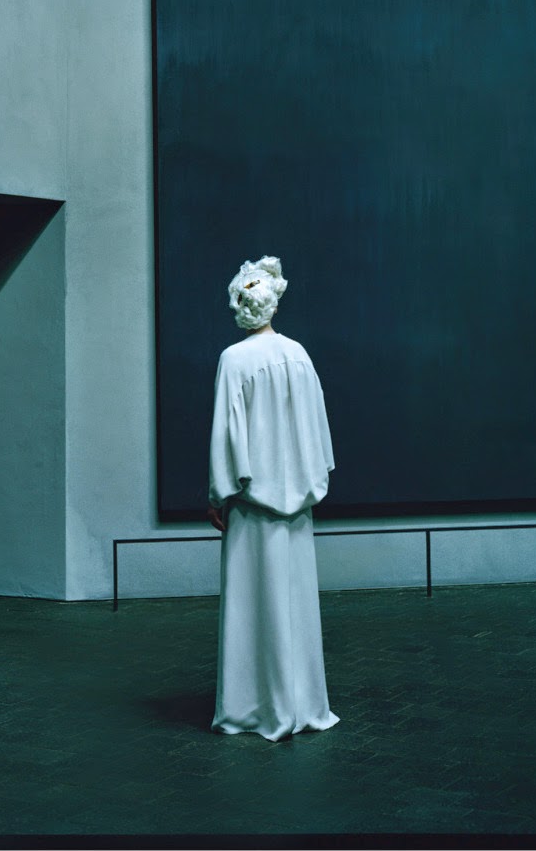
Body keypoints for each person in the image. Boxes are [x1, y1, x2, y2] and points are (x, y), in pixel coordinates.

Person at [207, 255, 339, 742]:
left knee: (252, 607)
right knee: (295, 605)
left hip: (250, 506)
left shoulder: (234, 360)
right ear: (274, 303)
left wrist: (218, 493)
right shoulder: (298, 355)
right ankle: (302, 703)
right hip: (297, 508)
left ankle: (254, 707)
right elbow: (319, 433)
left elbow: (226, 434)